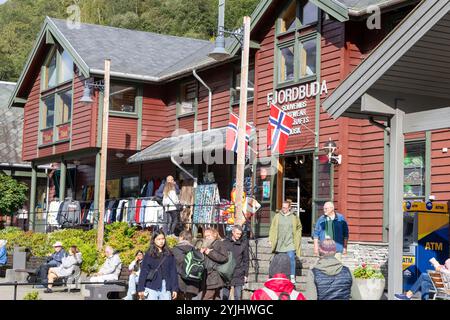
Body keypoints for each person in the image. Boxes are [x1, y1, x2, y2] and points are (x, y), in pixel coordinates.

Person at [137, 230, 178, 300]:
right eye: (159, 239)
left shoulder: (169, 254)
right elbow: (144, 271)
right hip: (151, 285)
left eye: (163, 239)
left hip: (165, 286)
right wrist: (140, 288)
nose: (161, 241)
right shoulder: (149, 254)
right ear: (154, 240)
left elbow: (173, 272)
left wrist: (174, 288)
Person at [268, 200, 302, 284]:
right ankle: (275, 276)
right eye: (283, 207)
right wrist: (271, 239)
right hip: (279, 241)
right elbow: (272, 228)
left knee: (291, 257)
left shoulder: (294, 217)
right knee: (277, 259)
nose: (284, 209)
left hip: (290, 241)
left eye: (286, 208)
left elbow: (299, 227)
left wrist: (297, 237)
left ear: (289, 208)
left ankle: (292, 276)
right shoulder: (277, 216)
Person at [200, 228, 229, 300]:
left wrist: (210, 253)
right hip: (207, 275)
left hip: (214, 275)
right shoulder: (206, 244)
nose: (206, 238)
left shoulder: (219, 243)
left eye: (208, 235)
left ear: (214, 235)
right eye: (205, 236)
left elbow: (224, 258)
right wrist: (200, 252)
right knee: (216, 296)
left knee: (207, 297)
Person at [172, 230, 202, 300]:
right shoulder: (196, 250)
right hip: (192, 282)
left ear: (181, 237)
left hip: (179, 281)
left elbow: (174, 266)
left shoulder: (175, 249)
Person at [222, 225, 249, 300]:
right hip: (227, 272)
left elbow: (246, 260)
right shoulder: (225, 242)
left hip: (239, 272)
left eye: (240, 234)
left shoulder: (243, 244)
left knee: (238, 296)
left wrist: (246, 274)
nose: (239, 236)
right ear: (233, 232)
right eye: (237, 234)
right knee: (225, 295)